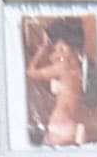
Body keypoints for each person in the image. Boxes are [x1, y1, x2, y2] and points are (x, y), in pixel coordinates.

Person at [26, 17, 88, 146]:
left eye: (60, 46)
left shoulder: (62, 68)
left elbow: (31, 73)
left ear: (68, 47)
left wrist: (42, 47)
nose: (57, 51)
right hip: (72, 126)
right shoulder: (79, 69)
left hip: (59, 125)